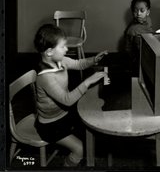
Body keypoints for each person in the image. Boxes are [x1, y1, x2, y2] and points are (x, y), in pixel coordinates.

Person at [33, 24, 108, 167]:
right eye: (63, 47)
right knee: (80, 148)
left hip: (64, 114)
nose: (67, 49)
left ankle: (86, 158)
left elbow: (79, 63)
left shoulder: (60, 61)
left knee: (91, 125)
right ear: (49, 52)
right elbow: (67, 101)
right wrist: (88, 81)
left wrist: (94, 60)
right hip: (50, 125)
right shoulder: (45, 77)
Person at [124, 0, 153, 75]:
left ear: (148, 12)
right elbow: (130, 50)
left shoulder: (148, 19)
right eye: (135, 11)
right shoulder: (133, 30)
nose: (138, 14)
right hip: (136, 58)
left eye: (142, 10)